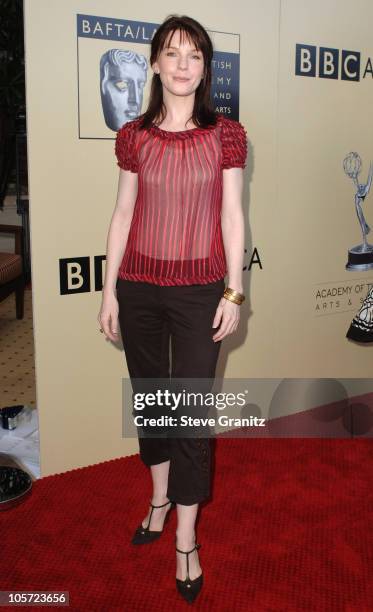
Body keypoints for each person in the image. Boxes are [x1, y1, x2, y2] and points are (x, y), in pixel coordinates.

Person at [98, 14, 248, 604]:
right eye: (172, 53)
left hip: (200, 292)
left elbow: (232, 217)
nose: (183, 65)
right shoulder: (134, 136)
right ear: (156, 64)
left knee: (189, 413)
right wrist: (109, 290)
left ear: (205, 68)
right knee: (152, 401)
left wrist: (233, 291)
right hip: (137, 286)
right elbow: (122, 215)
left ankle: (186, 537)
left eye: (195, 55)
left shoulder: (227, 134)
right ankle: (158, 499)